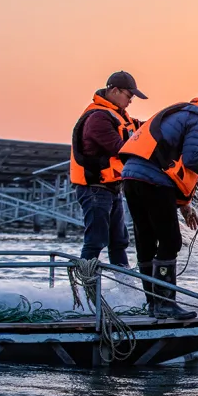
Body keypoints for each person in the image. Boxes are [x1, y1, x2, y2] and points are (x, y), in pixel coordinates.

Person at [119, 87, 198, 319]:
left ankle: (154, 304)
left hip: (132, 178)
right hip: (153, 181)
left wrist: (184, 204)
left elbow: (168, 157)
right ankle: (165, 304)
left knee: (145, 240)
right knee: (170, 240)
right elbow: (193, 159)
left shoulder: (179, 112)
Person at [69, 70, 146, 269]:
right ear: (114, 90)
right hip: (95, 189)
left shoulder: (118, 116)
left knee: (119, 242)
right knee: (95, 241)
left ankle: (124, 289)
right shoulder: (98, 118)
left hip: (110, 188)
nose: (130, 101)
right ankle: (85, 289)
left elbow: (141, 129)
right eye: (129, 96)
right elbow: (121, 149)